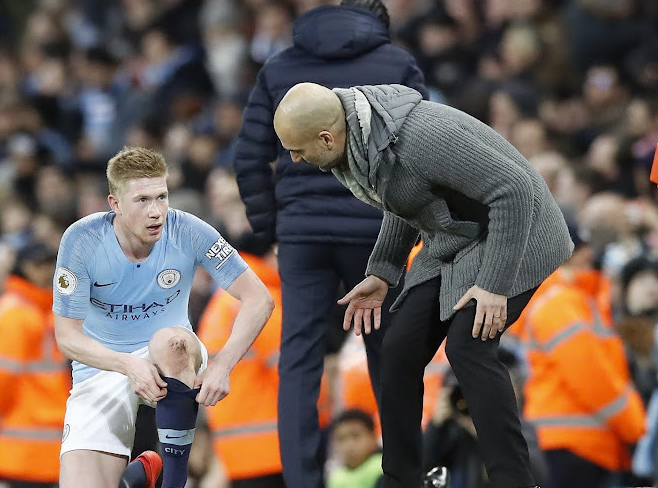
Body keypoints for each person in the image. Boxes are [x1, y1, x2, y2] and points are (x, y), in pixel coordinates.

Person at [272, 82, 573, 488]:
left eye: (298, 148)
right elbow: (406, 197)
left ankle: (514, 480)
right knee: (398, 349)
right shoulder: (366, 138)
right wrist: (382, 272)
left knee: (469, 346)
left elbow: (515, 190)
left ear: (327, 138)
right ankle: (402, 480)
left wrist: (493, 286)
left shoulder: (418, 137)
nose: (294, 158)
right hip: (457, 238)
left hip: (518, 231)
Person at [233, 0, 427, 486]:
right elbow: (421, 150)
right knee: (392, 352)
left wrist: (272, 228)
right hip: (377, 230)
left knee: (299, 357)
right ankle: (404, 475)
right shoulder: (397, 63)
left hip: (301, 233)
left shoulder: (279, 67)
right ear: (378, 26)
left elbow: (249, 156)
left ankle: (300, 479)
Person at [53, 146, 274, 488]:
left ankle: (173, 480)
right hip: (103, 365)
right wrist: (126, 364)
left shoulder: (188, 230)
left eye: (162, 197)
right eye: (142, 200)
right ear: (115, 204)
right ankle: (144, 475)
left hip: (170, 355)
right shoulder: (82, 240)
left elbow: (259, 298)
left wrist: (222, 365)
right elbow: (67, 337)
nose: (156, 211)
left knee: (170, 342)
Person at [521, 229, 645, 488]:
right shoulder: (561, 303)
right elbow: (592, 377)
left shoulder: (573, 301)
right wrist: (635, 426)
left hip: (577, 444)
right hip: (575, 446)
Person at [0, 242, 71, 487]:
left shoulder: (45, 310)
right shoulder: (15, 314)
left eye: (49, 264)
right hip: (24, 444)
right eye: (38, 264)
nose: (46, 271)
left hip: (44, 442)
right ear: (23, 268)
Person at [198, 240, 286, 488]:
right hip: (274, 450)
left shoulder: (219, 305)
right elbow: (291, 374)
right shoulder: (262, 302)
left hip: (235, 453)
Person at [327, 409, 383, 488]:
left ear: (373, 437)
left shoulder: (382, 467)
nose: (349, 446)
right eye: (341, 439)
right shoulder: (336, 478)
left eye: (355, 436)